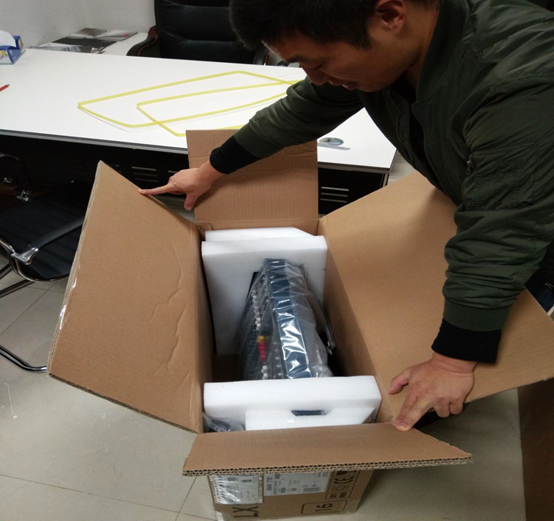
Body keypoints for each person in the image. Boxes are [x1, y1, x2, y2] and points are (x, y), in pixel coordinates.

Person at [140, 0, 554, 431]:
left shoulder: (523, 81)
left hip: (531, 236)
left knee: (445, 382)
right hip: (488, 208)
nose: (317, 77)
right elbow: (303, 110)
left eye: (319, 62)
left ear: (390, 15)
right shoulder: (384, 52)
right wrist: (210, 170)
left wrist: (451, 362)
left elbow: (504, 229)